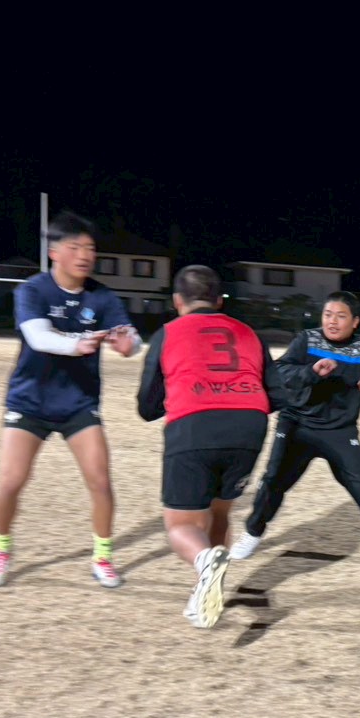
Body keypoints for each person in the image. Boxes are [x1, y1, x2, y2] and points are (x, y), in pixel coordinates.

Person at [0, 211, 141, 589]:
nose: (85, 255)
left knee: (100, 481)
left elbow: (131, 339)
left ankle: (102, 557)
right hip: (30, 401)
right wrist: (77, 344)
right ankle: (0, 549)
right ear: (54, 252)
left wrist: (129, 345)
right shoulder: (33, 290)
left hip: (78, 403)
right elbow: (38, 337)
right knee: (11, 480)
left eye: (90, 248)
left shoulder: (102, 296)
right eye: (75, 247)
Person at [136, 265, 281, 629]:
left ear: (177, 300)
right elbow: (276, 394)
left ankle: (204, 565)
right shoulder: (249, 333)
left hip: (194, 425)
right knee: (219, 513)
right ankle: (206, 591)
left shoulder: (168, 332)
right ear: (219, 301)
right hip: (248, 426)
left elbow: (147, 406)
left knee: (181, 525)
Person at [229, 290, 360, 560]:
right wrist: (310, 372)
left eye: (341, 316)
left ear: (355, 322)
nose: (332, 321)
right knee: (273, 481)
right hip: (296, 425)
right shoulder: (306, 339)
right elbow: (280, 371)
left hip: (339, 431)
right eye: (327, 314)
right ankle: (252, 533)